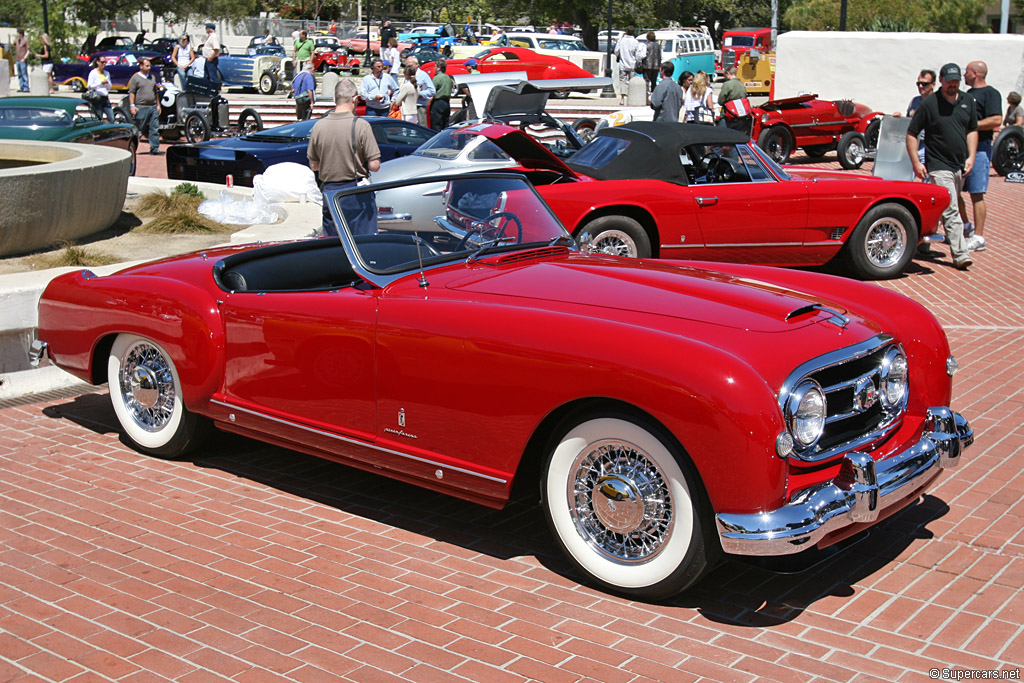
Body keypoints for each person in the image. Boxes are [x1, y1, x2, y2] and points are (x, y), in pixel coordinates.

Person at [906, 63, 978, 271]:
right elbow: (912, 133)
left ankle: (922, 242)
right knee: (951, 208)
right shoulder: (930, 104)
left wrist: (971, 156)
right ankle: (961, 254)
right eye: (949, 81)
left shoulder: (967, 101)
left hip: (959, 164)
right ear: (942, 81)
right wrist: (916, 162)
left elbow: (972, 130)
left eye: (956, 81)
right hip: (937, 165)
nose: (953, 85)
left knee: (939, 207)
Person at [307, 79, 381, 237]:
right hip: (356, 192)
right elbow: (375, 165)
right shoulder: (361, 126)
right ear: (355, 99)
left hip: (330, 192)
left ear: (334, 99)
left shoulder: (318, 126)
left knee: (333, 243)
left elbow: (314, 165)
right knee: (362, 244)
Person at [959, 60, 1000, 251]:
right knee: (954, 190)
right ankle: (966, 225)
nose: (964, 75)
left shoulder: (991, 93)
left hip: (981, 148)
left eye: (966, 71)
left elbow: (996, 120)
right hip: (962, 148)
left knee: (977, 193)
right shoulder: (967, 95)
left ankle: (979, 237)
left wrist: (972, 124)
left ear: (975, 73)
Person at [128, 58, 162, 154]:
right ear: (141, 66)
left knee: (154, 128)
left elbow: (155, 92)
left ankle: (154, 148)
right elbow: (132, 93)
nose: (149, 67)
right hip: (141, 107)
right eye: (147, 66)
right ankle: (132, 148)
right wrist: (132, 105)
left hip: (153, 107)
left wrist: (158, 105)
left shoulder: (152, 77)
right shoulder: (135, 78)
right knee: (139, 129)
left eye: (150, 65)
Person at [718, 66, 750, 135]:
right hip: (739, 115)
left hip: (728, 115)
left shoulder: (727, 84)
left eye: (725, 75)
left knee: (722, 136)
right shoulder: (742, 85)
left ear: (728, 73)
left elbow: (720, 100)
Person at [406, 55, 435, 127]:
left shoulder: (423, 75)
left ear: (416, 64)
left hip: (420, 106)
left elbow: (432, 91)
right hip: (409, 106)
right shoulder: (407, 75)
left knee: (421, 126)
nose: (409, 68)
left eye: (410, 65)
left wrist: (419, 94)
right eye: (407, 66)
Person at [614, 26, 640, 106]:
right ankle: (631, 98)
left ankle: (622, 99)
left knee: (622, 81)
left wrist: (619, 56)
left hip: (623, 64)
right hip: (632, 64)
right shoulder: (635, 42)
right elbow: (638, 54)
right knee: (632, 82)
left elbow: (616, 51)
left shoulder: (621, 40)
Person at [86, 57, 114, 122]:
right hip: (97, 97)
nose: (104, 64)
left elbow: (109, 87)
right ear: (97, 62)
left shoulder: (106, 73)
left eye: (105, 62)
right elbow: (89, 86)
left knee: (111, 118)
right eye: (102, 62)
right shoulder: (93, 73)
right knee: (99, 118)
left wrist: (107, 83)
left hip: (105, 97)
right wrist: (100, 83)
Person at [431, 58, 454, 129]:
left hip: (438, 103)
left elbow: (432, 91)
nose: (434, 68)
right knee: (445, 123)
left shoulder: (437, 78)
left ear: (439, 68)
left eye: (435, 66)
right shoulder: (448, 78)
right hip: (446, 103)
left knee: (436, 124)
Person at [14, 28, 30, 93]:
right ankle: (22, 87)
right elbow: (11, 45)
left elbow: (28, 51)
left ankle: (26, 88)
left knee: (24, 74)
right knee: (19, 74)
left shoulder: (25, 41)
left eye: (18, 33)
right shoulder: (17, 41)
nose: (17, 34)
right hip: (17, 60)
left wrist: (24, 58)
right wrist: (9, 38)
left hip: (23, 60)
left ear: (21, 34)